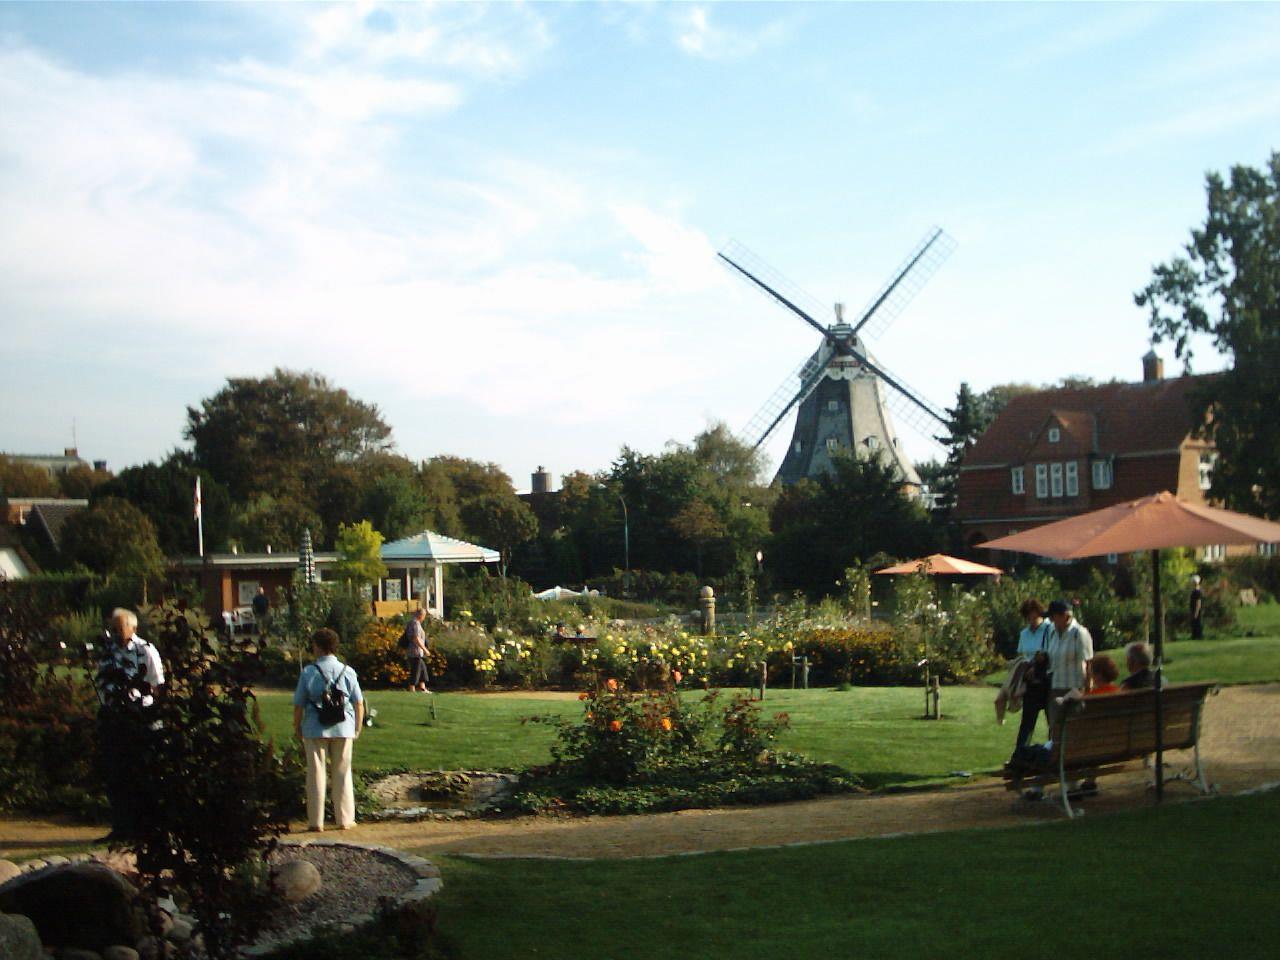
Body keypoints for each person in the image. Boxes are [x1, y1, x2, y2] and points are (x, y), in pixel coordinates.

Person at [96, 608, 165, 839]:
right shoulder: (108, 653)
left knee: (142, 774)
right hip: (115, 718)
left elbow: (157, 685)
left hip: (140, 718)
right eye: (114, 627)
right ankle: (121, 827)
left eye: (121, 627)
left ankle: (146, 827)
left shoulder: (145, 650)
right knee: (116, 775)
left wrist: (152, 716)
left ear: (133, 627)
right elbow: (102, 681)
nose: (117, 632)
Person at [293, 628, 364, 832]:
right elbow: (358, 702)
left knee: (316, 773)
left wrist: (297, 726)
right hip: (343, 726)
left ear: (318, 646)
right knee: (342, 772)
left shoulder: (309, 672)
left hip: (315, 726)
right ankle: (345, 819)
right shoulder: (348, 671)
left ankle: (316, 821)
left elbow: (299, 704)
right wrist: (357, 727)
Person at [1011, 598, 1053, 757]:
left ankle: (1053, 752)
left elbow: (1051, 654)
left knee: (1052, 720)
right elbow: (1022, 655)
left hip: (1046, 680)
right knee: (1027, 722)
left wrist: (1037, 666)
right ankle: (1019, 754)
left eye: (1034, 615)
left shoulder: (1049, 629)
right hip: (1030, 682)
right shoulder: (1024, 634)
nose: (1032, 619)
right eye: (1028, 616)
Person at [402, 608, 430, 692]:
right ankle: (412, 687)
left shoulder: (414, 623)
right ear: (421, 615)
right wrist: (425, 649)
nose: (424, 618)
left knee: (422, 669)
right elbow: (416, 638)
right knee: (416, 670)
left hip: (417, 651)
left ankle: (422, 687)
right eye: (424, 616)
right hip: (415, 651)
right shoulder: (415, 624)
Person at [1189, 575, 1205, 640]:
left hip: (1197, 610)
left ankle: (1199, 636)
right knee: (1194, 623)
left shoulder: (1198, 592)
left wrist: (1196, 612)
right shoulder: (1194, 591)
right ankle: (1194, 636)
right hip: (1193, 610)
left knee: (1197, 623)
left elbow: (1198, 603)